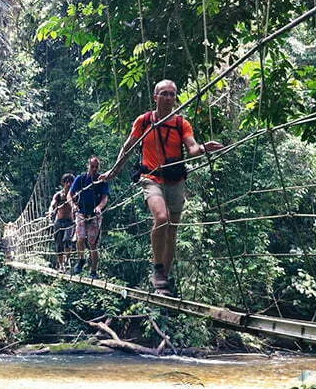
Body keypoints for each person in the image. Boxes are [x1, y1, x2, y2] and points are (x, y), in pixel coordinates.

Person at [100, 80, 224, 296]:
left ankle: (163, 281)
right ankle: (157, 269)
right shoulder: (144, 121)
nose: (168, 98)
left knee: (172, 230)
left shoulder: (181, 124)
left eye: (172, 94)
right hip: (151, 178)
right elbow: (128, 146)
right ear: (155, 97)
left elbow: (192, 148)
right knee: (161, 218)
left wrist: (204, 148)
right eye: (164, 94)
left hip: (175, 181)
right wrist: (113, 171)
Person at [68, 156, 109, 278]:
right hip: (81, 213)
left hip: (95, 216)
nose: (94, 169)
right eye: (92, 166)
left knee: (92, 244)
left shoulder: (102, 180)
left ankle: (93, 271)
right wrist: (73, 205)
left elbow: (105, 197)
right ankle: (81, 260)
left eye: (97, 167)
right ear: (88, 166)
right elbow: (70, 195)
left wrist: (99, 207)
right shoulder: (80, 179)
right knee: (80, 238)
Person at [47, 173, 75, 270]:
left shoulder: (74, 195)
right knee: (59, 245)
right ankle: (61, 265)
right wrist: (51, 211)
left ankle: (67, 260)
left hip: (69, 222)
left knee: (67, 240)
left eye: (71, 182)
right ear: (63, 183)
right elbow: (52, 204)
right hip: (58, 221)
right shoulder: (58, 195)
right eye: (66, 182)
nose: (69, 184)